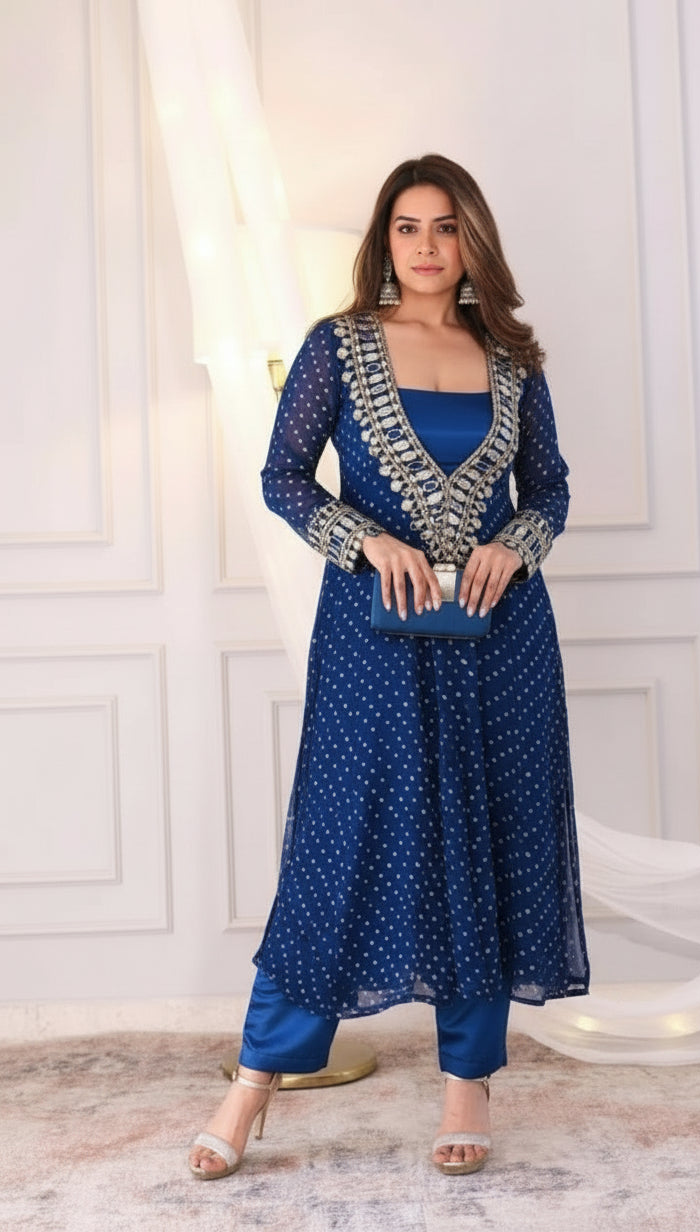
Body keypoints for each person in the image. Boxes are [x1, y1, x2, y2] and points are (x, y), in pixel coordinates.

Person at [189, 153, 589, 1180]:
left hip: (500, 639)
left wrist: (516, 544)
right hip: (372, 641)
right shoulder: (340, 346)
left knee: (487, 846)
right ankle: (253, 1081)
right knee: (341, 846)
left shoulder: (512, 358)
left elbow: (548, 488)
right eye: (408, 227)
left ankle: (467, 1085)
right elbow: (283, 475)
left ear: (472, 239)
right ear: (385, 241)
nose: (426, 246)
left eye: (445, 227)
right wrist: (365, 539)